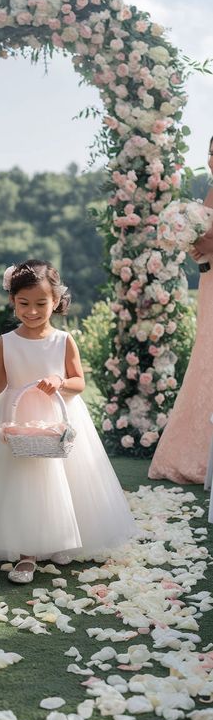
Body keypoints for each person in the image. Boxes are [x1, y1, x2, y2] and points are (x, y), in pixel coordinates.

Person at [0, 260, 135, 584]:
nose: (33, 311)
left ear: (56, 301)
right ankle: (27, 554)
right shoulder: (6, 342)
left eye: (41, 303)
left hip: (57, 419)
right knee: (25, 485)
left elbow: (79, 381)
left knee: (62, 482)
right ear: (12, 301)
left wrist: (60, 381)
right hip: (18, 421)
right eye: (24, 303)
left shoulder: (63, 340)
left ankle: (58, 539)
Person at [149, 136, 213, 484]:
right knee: (206, 355)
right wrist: (195, 244)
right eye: (211, 152)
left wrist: (201, 241)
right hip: (209, 283)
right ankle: (196, 453)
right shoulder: (210, 189)